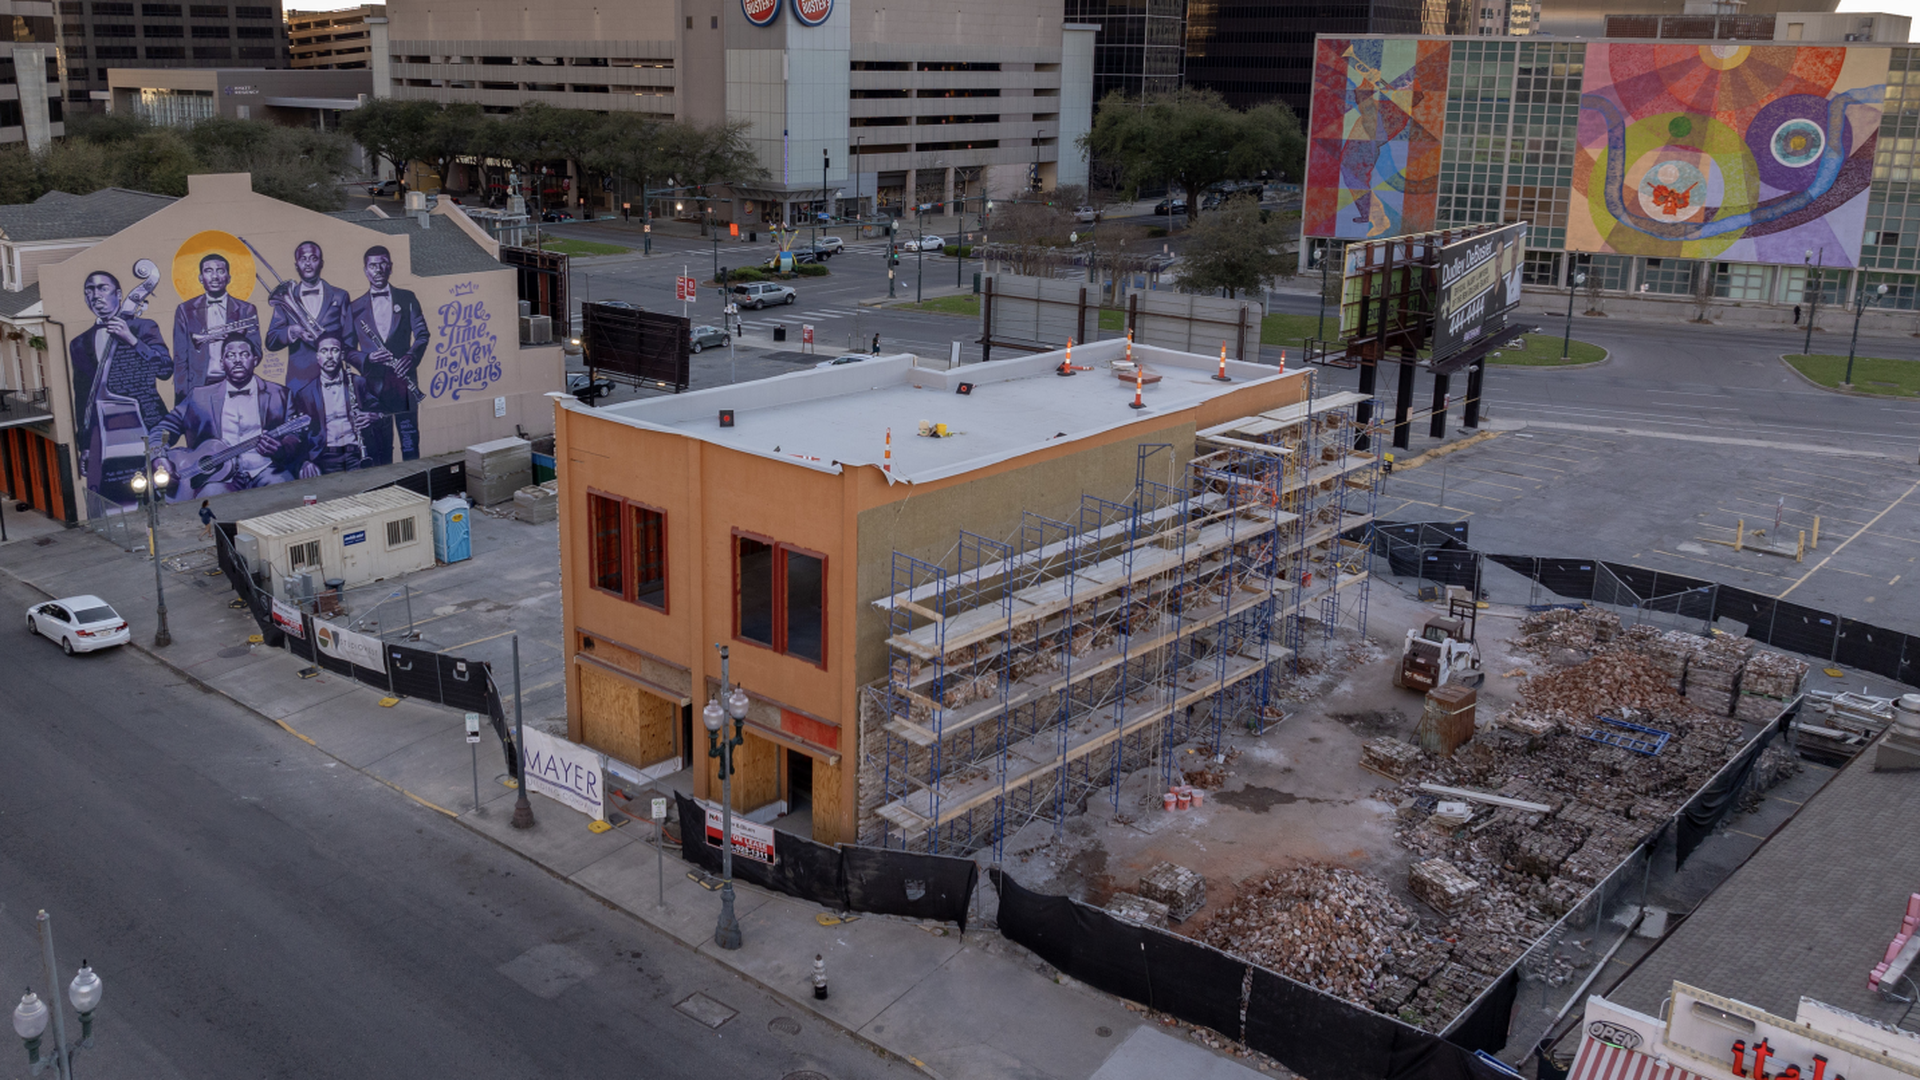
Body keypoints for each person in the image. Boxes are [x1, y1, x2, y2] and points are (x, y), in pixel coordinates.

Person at [70, 269, 173, 499]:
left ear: (119, 294)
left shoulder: (144, 328)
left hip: (148, 425)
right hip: (106, 434)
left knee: (160, 491)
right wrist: (85, 445)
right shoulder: (78, 343)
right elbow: (82, 397)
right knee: (118, 495)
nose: (95, 295)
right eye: (89, 290)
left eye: (102, 288)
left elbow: (166, 370)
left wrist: (133, 341)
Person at [154, 334, 300, 494]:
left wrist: (282, 449)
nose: (237, 360)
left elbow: (294, 436)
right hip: (218, 479)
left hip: (266, 471)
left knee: (287, 490)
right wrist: (160, 459)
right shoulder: (199, 397)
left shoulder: (280, 394)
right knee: (209, 499)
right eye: (230, 355)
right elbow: (162, 430)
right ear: (221, 363)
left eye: (244, 354)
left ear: (255, 360)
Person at [347, 245, 430, 465]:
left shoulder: (407, 298)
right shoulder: (354, 308)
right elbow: (345, 350)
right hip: (373, 390)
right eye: (372, 265)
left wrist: (411, 357)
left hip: (404, 384)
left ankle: (416, 487)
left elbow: (422, 334)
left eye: (383, 263)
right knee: (381, 450)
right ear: (365, 270)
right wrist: (368, 359)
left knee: (410, 444)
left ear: (390, 267)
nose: (378, 269)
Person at [266, 240, 353, 397]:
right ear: (296, 265)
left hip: (335, 377)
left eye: (313, 258)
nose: (308, 264)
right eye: (303, 259)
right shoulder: (285, 298)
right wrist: (293, 331)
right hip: (299, 380)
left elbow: (350, 339)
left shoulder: (340, 296)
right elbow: (271, 341)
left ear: (321, 263)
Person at [289, 333, 379, 477]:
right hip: (323, 457)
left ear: (342, 355)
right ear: (317, 356)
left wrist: (374, 417)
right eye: (324, 351)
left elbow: (381, 413)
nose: (329, 356)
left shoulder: (358, 383)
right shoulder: (305, 393)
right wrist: (304, 461)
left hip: (356, 455)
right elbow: (299, 436)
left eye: (334, 350)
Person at [172, 253, 261, 390]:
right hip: (199, 384)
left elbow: (257, 354)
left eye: (220, 271)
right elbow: (180, 359)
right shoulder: (185, 310)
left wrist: (239, 339)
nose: (215, 277)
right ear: (201, 278)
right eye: (208, 271)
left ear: (228, 278)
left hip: (236, 384)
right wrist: (183, 393)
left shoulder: (246, 310)